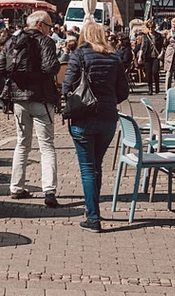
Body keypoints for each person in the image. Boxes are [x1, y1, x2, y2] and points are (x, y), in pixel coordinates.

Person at [61, 22, 130, 232]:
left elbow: (66, 86)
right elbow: (124, 91)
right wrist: (108, 101)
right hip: (108, 118)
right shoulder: (114, 58)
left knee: (88, 168)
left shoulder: (79, 55)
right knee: (96, 166)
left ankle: (93, 216)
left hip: (83, 117)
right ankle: (93, 210)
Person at [0, 10, 63, 207]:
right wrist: (40, 73)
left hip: (18, 99)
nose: (51, 30)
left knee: (22, 143)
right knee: (46, 145)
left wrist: (18, 77)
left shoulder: (13, 40)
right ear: (40, 25)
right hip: (41, 97)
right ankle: (49, 191)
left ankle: (16, 187)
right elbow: (50, 67)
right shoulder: (45, 41)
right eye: (49, 26)